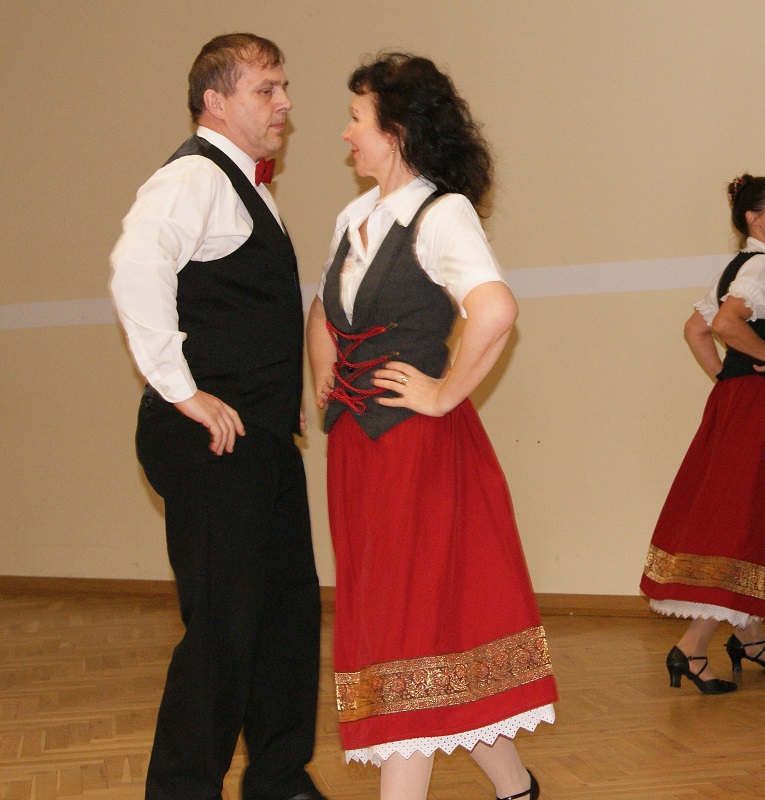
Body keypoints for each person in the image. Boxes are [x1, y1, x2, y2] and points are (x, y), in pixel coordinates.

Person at [305, 53, 555, 800]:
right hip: (359, 451)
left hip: (418, 452)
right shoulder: (354, 217)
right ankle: (517, 789)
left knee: (405, 633)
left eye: (357, 117)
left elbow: (496, 310)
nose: (346, 132)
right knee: (413, 628)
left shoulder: (442, 214)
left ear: (398, 130)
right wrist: (325, 375)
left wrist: (444, 394)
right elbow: (323, 308)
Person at [109, 33, 325, 800]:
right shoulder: (193, 178)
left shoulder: (248, 188)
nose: (285, 103)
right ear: (216, 101)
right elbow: (135, 268)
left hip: (259, 437)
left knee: (287, 612)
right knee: (225, 628)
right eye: (267, 88)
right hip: (211, 438)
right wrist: (182, 389)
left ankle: (278, 779)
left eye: (284, 86)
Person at [640, 174, 765, 695]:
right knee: (744, 519)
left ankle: (749, 637)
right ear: (753, 219)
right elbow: (722, 326)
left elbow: (696, 328)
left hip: (743, 405)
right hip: (762, 411)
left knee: (757, 514)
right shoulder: (763, 267)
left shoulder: (741, 267)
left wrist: (727, 378)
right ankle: (692, 648)